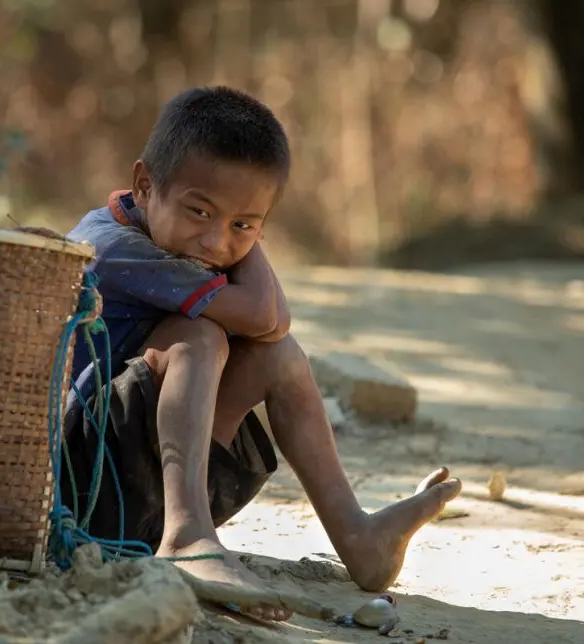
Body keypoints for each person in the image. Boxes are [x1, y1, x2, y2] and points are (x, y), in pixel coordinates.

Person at [62, 85, 462, 621]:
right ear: (144, 184)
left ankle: (359, 537)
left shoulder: (180, 235)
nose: (215, 242)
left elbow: (275, 329)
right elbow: (262, 314)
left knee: (280, 357)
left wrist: (240, 227)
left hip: (139, 488)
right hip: (81, 484)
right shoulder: (113, 246)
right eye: (199, 211)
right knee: (198, 336)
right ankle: (187, 537)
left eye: (243, 225)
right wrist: (246, 231)